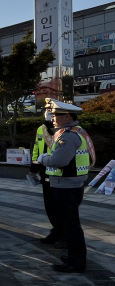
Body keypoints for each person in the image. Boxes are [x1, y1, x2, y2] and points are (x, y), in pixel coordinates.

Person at [38, 99, 95, 273]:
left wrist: (42, 159)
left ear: (67, 116)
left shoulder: (69, 136)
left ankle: (76, 262)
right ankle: (73, 256)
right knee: (70, 223)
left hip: (67, 186)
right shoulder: (73, 132)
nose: (53, 118)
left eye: (56, 115)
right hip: (68, 184)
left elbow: (59, 160)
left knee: (71, 225)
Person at [31, 105, 62, 246]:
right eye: (47, 111)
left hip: (60, 172)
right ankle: (56, 231)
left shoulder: (63, 130)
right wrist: (33, 168)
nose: (49, 114)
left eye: (52, 112)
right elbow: (37, 149)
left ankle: (63, 234)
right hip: (45, 171)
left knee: (60, 205)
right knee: (49, 204)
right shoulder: (41, 129)